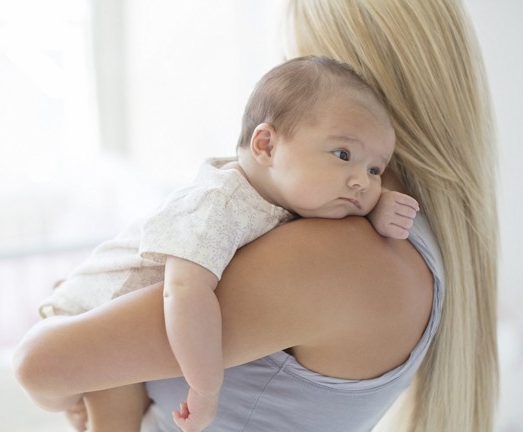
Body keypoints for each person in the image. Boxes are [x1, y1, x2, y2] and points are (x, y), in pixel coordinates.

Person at [13, 0, 498, 430]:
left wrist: (73, 379)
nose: (363, 182)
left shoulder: (334, 256)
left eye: (296, 57)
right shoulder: (414, 243)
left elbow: (38, 365)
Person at [34, 55, 418, 432]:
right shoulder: (219, 204)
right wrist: (204, 386)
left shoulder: (289, 198)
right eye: (343, 155)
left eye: (374, 169)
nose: (362, 182)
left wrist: (378, 208)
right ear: (265, 146)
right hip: (92, 307)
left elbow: (328, 200)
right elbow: (184, 292)